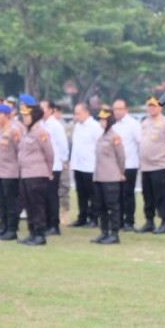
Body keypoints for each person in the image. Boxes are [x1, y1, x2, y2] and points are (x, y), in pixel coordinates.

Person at [137, 96, 165, 234]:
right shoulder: (145, 122)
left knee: (162, 195)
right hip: (146, 166)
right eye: (149, 105)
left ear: (160, 107)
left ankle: (164, 222)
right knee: (147, 196)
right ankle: (149, 221)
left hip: (160, 165)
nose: (151, 108)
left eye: (154, 105)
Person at [18, 104, 54, 246]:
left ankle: (40, 234)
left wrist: (49, 170)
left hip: (37, 174)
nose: (24, 118)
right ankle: (32, 232)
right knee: (28, 205)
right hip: (26, 174)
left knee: (37, 205)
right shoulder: (28, 131)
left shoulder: (41, 132)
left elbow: (49, 153)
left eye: (27, 115)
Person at [92, 107, 126, 244]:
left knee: (113, 206)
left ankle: (115, 233)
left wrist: (121, 172)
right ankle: (104, 232)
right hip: (99, 176)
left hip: (111, 177)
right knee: (101, 207)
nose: (101, 121)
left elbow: (121, 157)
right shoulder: (102, 136)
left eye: (104, 119)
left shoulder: (114, 136)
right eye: (100, 119)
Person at [0, 102, 23, 241]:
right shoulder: (0, 129)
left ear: (5, 115)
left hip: (10, 172)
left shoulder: (14, 130)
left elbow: (20, 151)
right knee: (1, 201)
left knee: (11, 202)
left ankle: (12, 229)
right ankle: (3, 226)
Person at [41, 99, 70, 235]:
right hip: (43, 165)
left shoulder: (56, 125)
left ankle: (54, 225)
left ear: (51, 110)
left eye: (44, 108)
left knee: (52, 196)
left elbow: (63, 146)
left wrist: (63, 160)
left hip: (54, 166)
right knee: (44, 196)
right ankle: (46, 222)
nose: (41, 111)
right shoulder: (41, 124)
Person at [69, 102, 101, 228]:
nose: (76, 116)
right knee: (81, 193)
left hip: (90, 166)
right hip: (78, 165)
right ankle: (82, 217)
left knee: (93, 194)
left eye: (78, 113)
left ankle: (94, 218)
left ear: (86, 113)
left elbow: (99, 146)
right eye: (75, 113)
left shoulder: (95, 126)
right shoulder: (77, 126)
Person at [111, 99, 141, 232]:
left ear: (126, 110)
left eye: (120, 109)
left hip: (129, 165)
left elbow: (140, 142)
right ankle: (119, 221)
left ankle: (129, 221)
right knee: (116, 195)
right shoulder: (112, 124)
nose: (117, 111)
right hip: (115, 166)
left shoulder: (133, 124)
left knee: (128, 194)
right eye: (115, 109)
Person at [53, 105, 72, 220]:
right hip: (51, 162)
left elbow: (68, 144)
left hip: (62, 161)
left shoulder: (64, 126)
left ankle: (65, 211)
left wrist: (65, 160)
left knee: (64, 187)